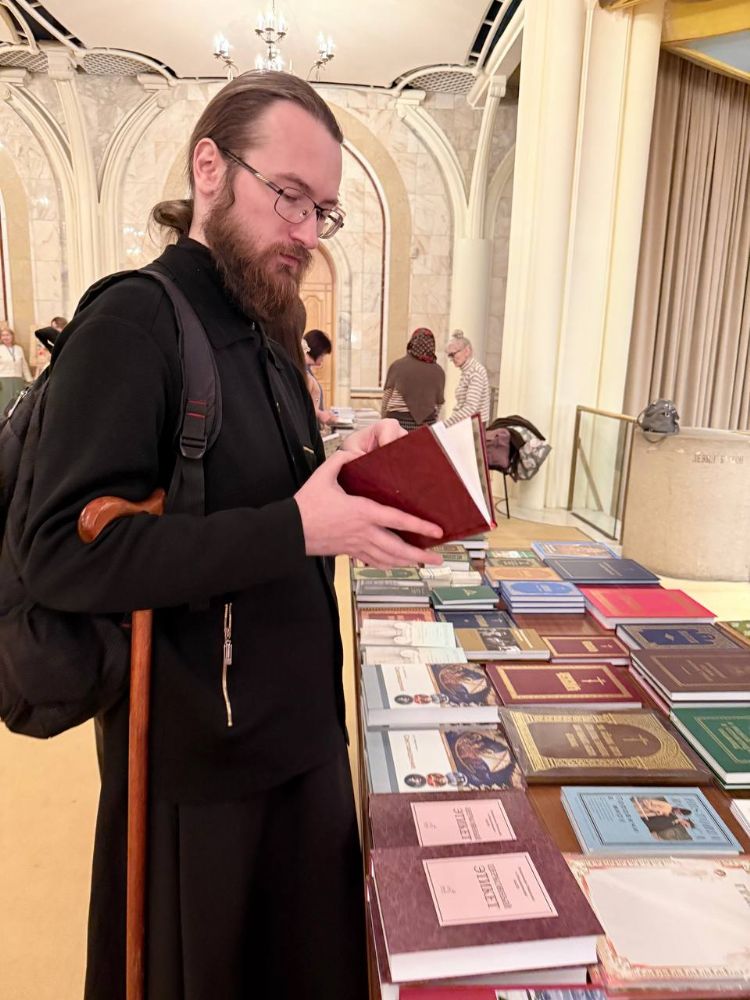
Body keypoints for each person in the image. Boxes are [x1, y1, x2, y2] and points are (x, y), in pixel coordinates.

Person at [19, 71, 443, 1000]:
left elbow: (263, 501)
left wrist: (352, 473)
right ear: (208, 168)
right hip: (202, 783)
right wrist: (299, 527)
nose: (306, 230)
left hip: (303, 746)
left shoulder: (270, 328)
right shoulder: (134, 321)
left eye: (323, 209)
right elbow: (62, 552)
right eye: (287, 195)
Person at [381, 327, 445, 431]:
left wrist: (383, 421)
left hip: (397, 423)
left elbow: (386, 398)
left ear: (411, 344)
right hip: (426, 426)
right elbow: (439, 405)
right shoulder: (439, 371)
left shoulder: (397, 366)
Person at [444, 330, 491, 426]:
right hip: (467, 425)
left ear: (467, 351)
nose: (451, 359)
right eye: (449, 356)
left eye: (453, 354)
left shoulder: (475, 371)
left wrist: (446, 424)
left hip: (472, 428)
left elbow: (470, 408)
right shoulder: (468, 371)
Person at [303, 327, 336, 426]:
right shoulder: (302, 370)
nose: (323, 359)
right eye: (323, 355)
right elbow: (303, 404)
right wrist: (320, 414)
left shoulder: (308, 369)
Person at [0, 327, 32, 412]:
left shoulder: (19, 349)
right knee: (4, 404)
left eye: (7, 335)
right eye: (3, 335)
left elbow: (24, 365)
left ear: (12, 336)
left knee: (17, 404)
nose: (5, 337)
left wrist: (29, 380)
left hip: (18, 380)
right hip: (3, 381)